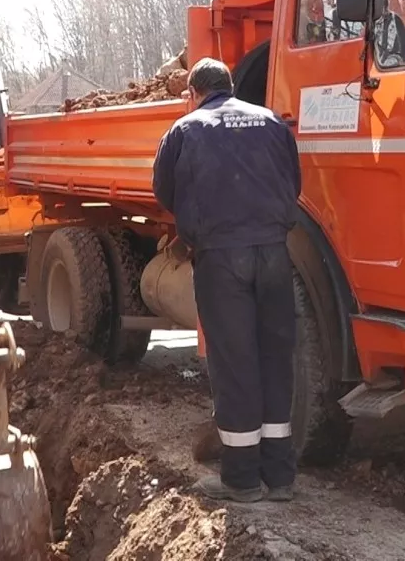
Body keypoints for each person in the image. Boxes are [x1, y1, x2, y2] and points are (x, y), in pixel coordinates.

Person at [151, 57, 302, 504]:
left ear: (193, 93)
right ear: (230, 86)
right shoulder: (271, 122)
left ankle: (241, 479)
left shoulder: (185, 130)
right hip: (274, 254)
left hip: (221, 258)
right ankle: (280, 476)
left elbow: (164, 191)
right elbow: (292, 181)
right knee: (275, 357)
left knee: (235, 363)